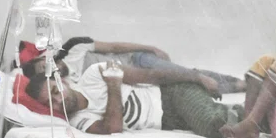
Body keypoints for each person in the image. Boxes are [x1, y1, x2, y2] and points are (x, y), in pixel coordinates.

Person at [26, 62, 240, 138]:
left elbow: (151, 75)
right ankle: (246, 115)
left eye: (55, 91)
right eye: (50, 104)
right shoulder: (78, 121)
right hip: (169, 123)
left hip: (171, 94)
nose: (58, 101)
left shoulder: (93, 74)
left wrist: (197, 77)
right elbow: (114, 127)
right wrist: (112, 85)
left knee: (213, 126)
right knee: (212, 124)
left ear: (61, 81)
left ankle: (249, 114)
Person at [21, 36, 245, 95]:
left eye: (45, 65)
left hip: (135, 60)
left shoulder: (74, 47)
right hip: (135, 80)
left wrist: (148, 48)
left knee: (181, 74)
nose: (53, 69)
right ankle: (235, 85)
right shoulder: (71, 83)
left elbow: (116, 47)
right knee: (182, 80)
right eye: (47, 74)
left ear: (45, 58)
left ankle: (237, 84)